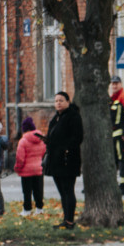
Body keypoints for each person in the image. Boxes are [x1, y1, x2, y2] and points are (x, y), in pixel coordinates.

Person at [45, 91, 83, 230]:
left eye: (61, 100)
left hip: (68, 160)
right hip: (55, 160)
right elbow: (52, 135)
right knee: (62, 191)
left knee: (68, 190)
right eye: (56, 101)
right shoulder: (56, 117)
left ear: (68, 102)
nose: (58, 103)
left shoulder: (73, 116)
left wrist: (65, 148)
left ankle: (70, 221)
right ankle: (65, 219)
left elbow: (77, 137)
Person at [14, 116, 46, 216]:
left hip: (26, 171)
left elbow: (20, 158)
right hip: (38, 168)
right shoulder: (41, 139)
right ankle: (39, 208)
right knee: (38, 190)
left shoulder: (23, 141)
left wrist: (17, 168)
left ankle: (27, 210)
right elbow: (43, 152)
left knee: (27, 191)